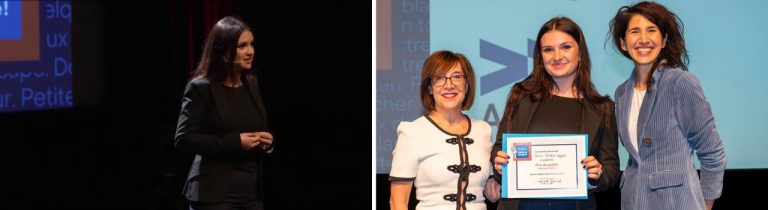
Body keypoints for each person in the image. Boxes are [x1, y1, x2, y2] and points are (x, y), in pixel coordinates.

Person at [491, 17, 620, 210]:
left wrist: (597, 175)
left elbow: (611, 169)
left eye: (566, 47)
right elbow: (501, 147)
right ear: (540, 58)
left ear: (581, 53)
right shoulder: (521, 96)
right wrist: (499, 163)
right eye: (548, 50)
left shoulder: (603, 108)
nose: (557, 56)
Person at [607, 2, 726, 210]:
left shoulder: (680, 83)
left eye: (651, 30)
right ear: (623, 43)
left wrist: (704, 205)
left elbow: (712, 153)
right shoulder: (622, 93)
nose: (643, 39)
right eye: (635, 31)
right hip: (633, 203)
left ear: (663, 40)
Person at [175, 16, 273, 210]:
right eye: (241, 46)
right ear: (224, 52)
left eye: (251, 44)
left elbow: (255, 126)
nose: (250, 51)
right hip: (214, 195)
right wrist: (234, 143)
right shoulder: (201, 88)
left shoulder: (251, 84)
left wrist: (267, 142)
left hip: (251, 194)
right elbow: (183, 139)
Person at [389, 50, 499, 210]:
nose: (449, 85)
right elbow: (398, 202)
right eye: (439, 78)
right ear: (429, 88)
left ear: (467, 85)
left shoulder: (483, 130)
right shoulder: (412, 132)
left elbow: (491, 193)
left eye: (457, 77)